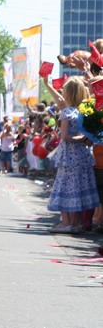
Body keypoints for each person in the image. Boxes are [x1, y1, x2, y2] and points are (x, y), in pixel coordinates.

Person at [45, 76, 100, 233]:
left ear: (67, 93)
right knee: (78, 189)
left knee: (63, 187)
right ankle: (75, 224)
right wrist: (84, 138)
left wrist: (78, 138)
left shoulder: (67, 113)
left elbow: (64, 137)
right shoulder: (85, 112)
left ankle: (66, 223)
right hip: (83, 155)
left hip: (69, 157)